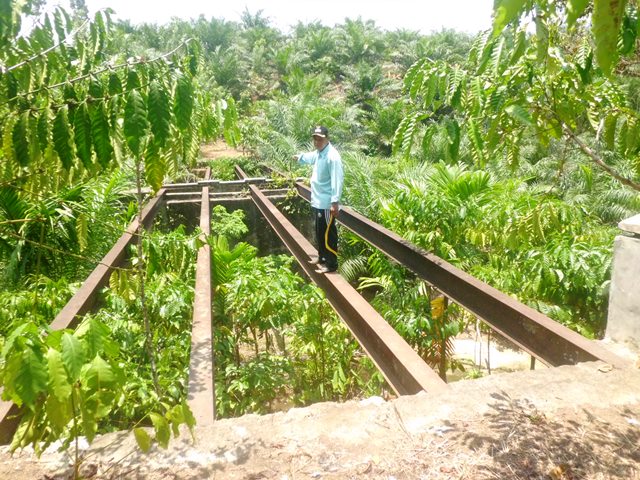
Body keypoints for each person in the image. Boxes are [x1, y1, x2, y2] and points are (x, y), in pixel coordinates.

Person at [294, 125, 344, 273]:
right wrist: (300, 157)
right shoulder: (320, 153)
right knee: (319, 231)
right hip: (317, 201)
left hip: (327, 203)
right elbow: (310, 157)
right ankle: (322, 257)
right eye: (315, 138)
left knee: (328, 233)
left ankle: (331, 264)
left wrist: (335, 202)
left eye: (320, 139)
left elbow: (337, 180)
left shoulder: (332, 157)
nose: (317, 141)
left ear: (327, 138)